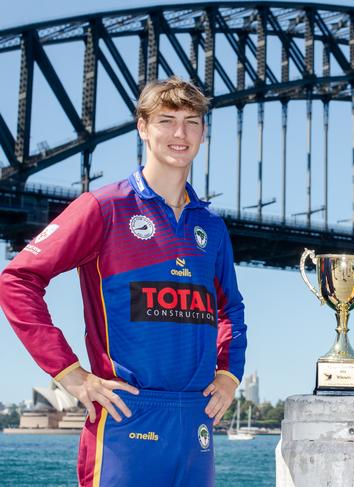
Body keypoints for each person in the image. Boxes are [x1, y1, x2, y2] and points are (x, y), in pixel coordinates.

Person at [0, 76, 247, 486]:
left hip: (197, 421)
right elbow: (17, 280)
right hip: (127, 417)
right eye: (166, 120)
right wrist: (69, 373)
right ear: (143, 128)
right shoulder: (103, 208)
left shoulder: (211, 227)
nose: (180, 134)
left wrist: (229, 372)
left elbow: (230, 309)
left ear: (204, 133)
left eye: (192, 121)